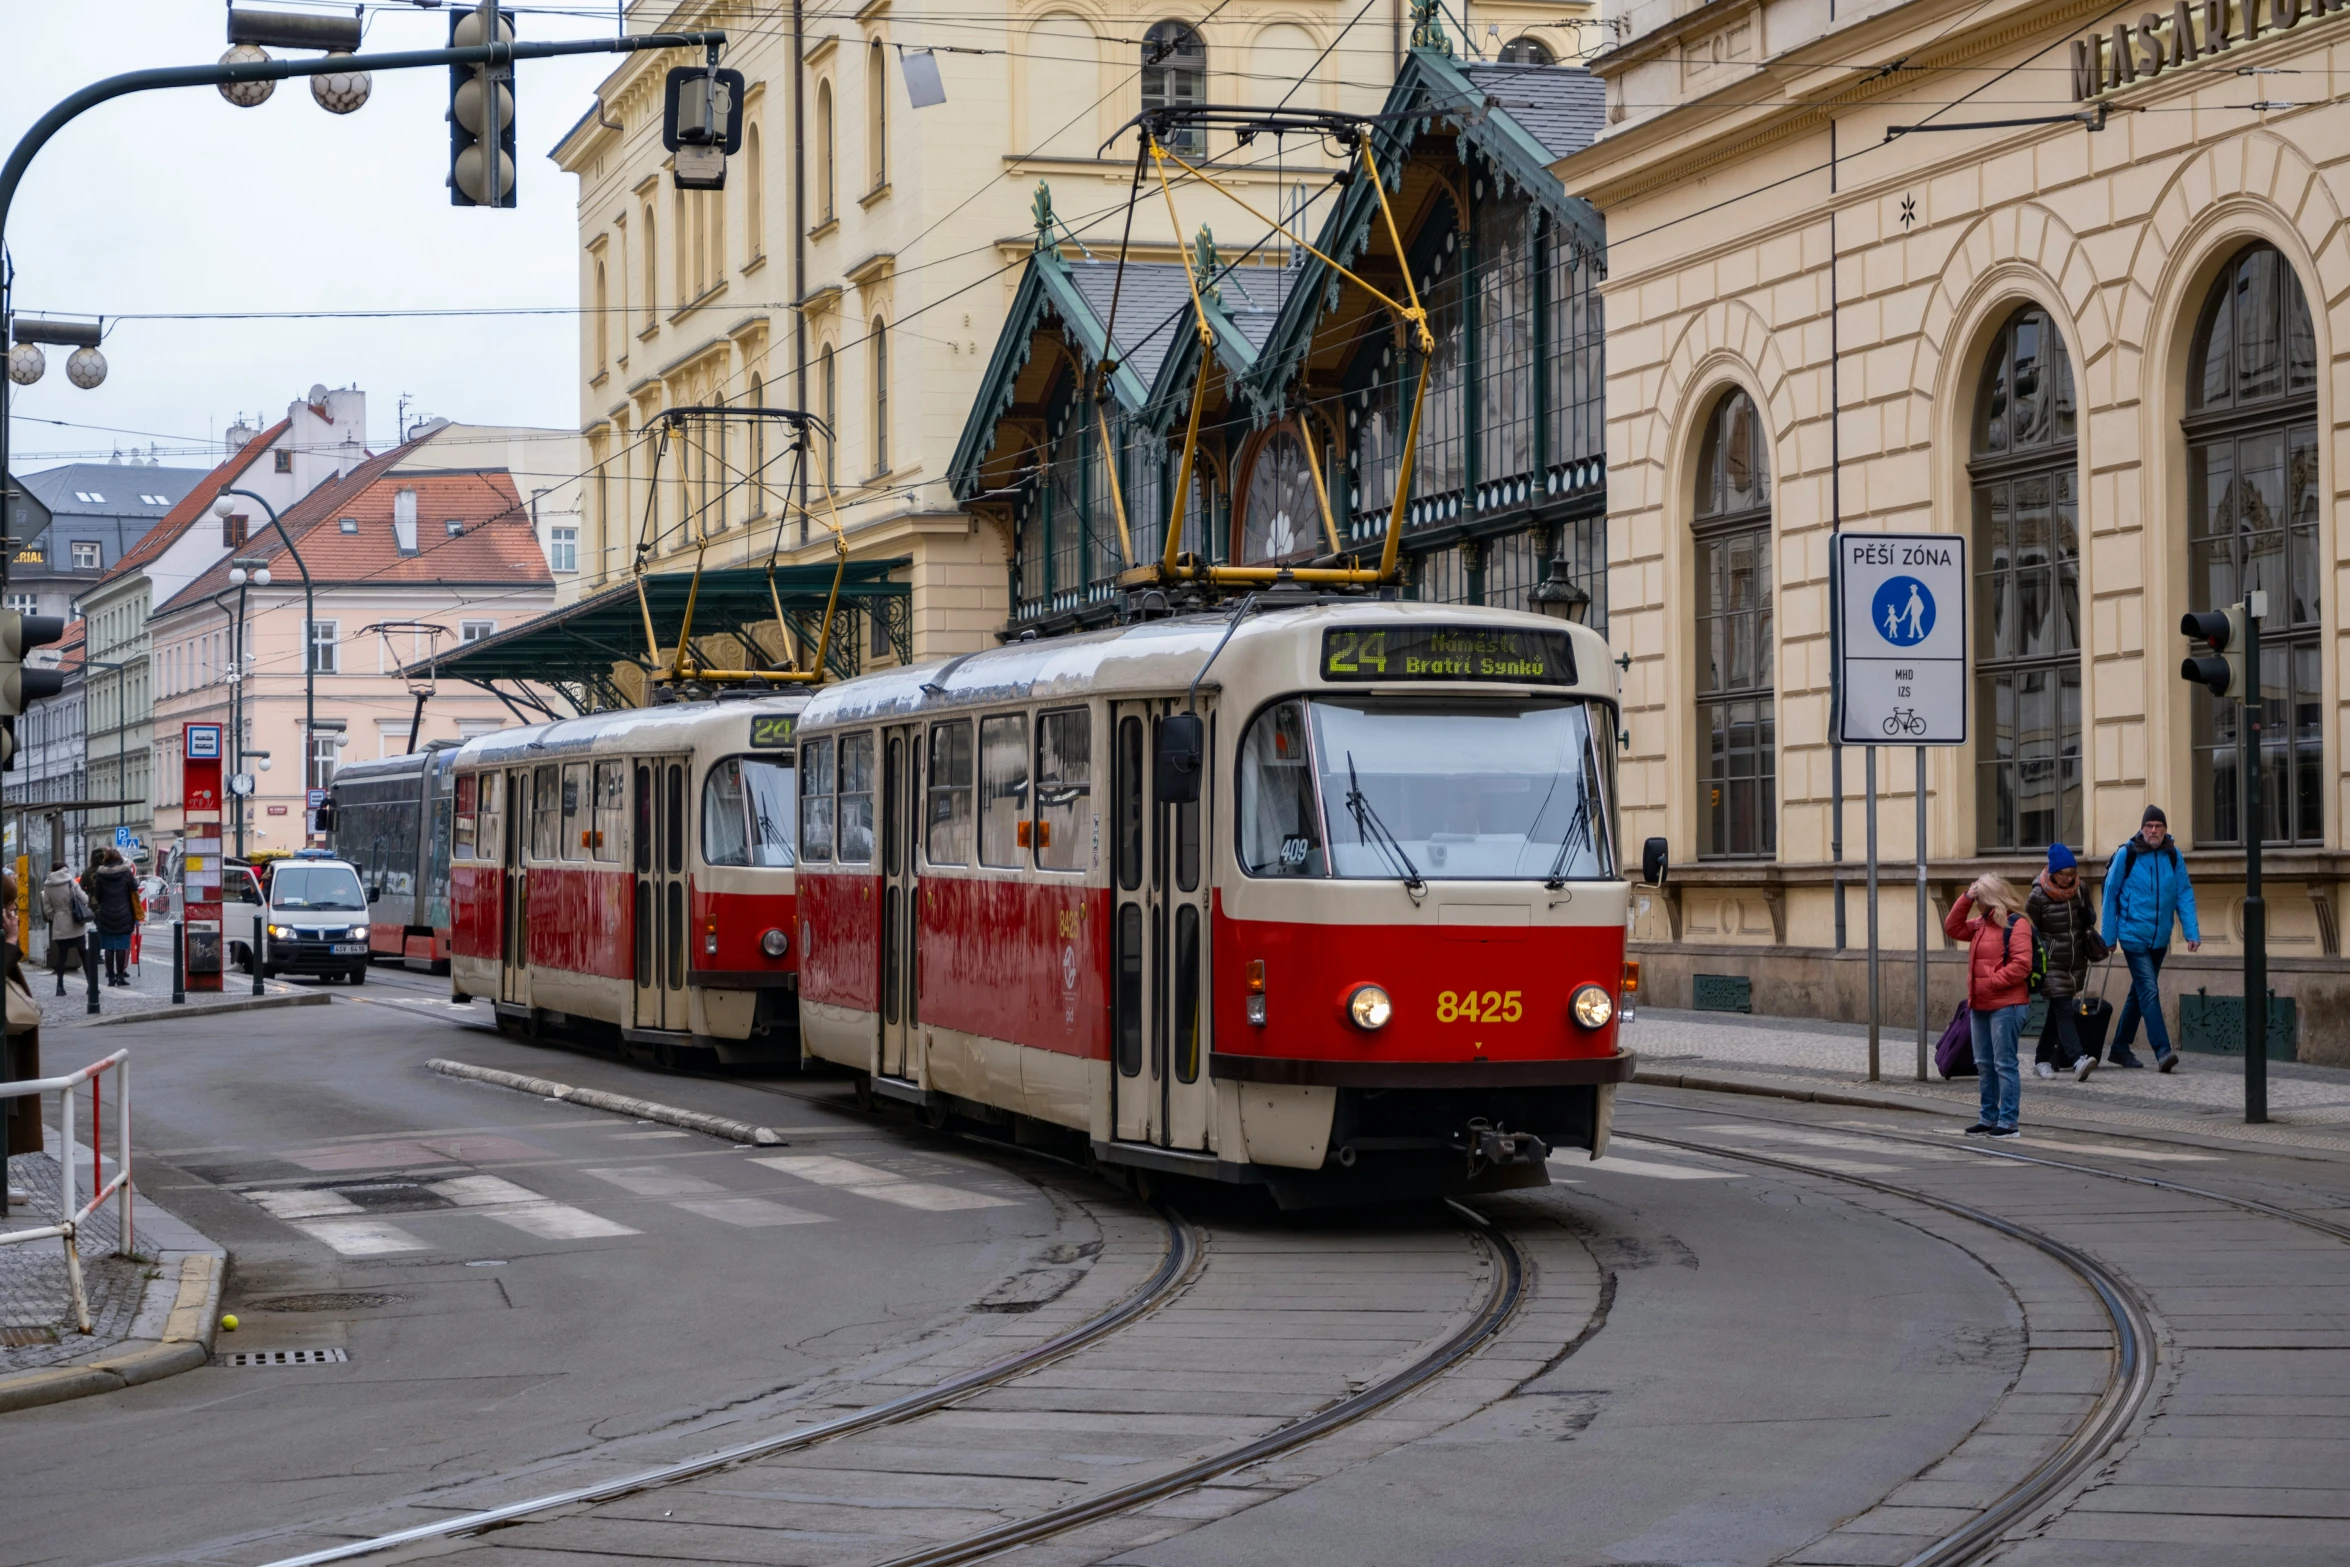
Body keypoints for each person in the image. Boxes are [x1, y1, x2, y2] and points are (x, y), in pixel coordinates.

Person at [2100, 804, 2199, 1072]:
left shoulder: (2173, 855)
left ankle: (2120, 1047)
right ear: (2142, 829)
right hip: (2133, 935)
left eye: (2158, 826)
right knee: (2149, 990)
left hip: (2160, 937)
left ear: (2165, 830)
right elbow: (2110, 894)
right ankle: (2163, 1051)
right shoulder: (2127, 854)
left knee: (2140, 992)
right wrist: (2108, 936)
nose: (2153, 831)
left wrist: (2191, 932)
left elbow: (2184, 893)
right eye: (2149, 826)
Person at [1944, 873, 2036, 1138]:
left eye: (1980, 899)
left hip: (2007, 1004)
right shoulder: (1981, 924)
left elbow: (2022, 965)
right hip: (1981, 1004)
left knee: (2004, 1064)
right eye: (1976, 900)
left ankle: (2008, 1123)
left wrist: (1993, 982)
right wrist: (1965, 896)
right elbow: (1952, 928)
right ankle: (1988, 1117)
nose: (1977, 905)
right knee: (1984, 1063)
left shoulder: (2017, 924)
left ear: (1993, 898)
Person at [2027, 843, 2106, 1081]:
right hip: (2050, 961)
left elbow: (2090, 918)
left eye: (2072, 873)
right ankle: (2077, 1059)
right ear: (2053, 872)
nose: (2069, 879)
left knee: (2056, 1012)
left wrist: (2087, 916)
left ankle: (2041, 1060)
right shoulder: (2038, 896)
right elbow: (2027, 929)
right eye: (2064, 874)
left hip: (2074, 961)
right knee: (2063, 1009)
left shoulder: (2080, 889)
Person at [89, 847, 141, 988]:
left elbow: (98, 896)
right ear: (119, 858)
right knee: (121, 947)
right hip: (124, 915)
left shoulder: (100, 874)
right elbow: (135, 887)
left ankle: (110, 978)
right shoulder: (126, 872)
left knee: (108, 948)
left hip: (106, 915)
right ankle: (120, 976)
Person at [39, 861, 89, 995]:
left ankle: (59, 987)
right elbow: (84, 899)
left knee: (62, 956)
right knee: (83, 954)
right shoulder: (71, 881)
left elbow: (47, 908)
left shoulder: (48, 885)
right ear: (64, 869)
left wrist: (56, 916)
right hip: (75, 923)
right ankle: (91, 985)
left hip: (59, 923)